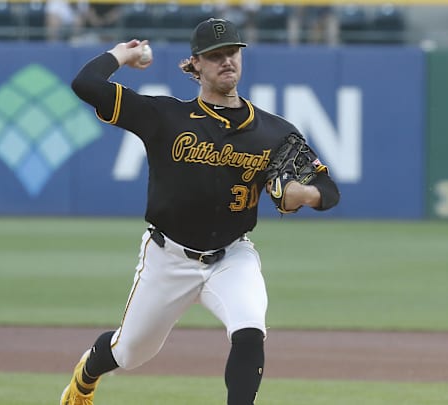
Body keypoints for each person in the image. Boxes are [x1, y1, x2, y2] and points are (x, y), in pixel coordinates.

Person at [61, 18, 340, 405]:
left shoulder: (276, 133)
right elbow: (86, 85)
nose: (227, 61)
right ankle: (86, 374)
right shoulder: (165, 117)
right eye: (215, 56)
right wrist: (120, 55)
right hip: (167, 256)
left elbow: (329, 189)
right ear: (195, 65)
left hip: (232, 254)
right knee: (131, 353)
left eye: (233, 53)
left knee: (249, 329)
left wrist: (303, 193)